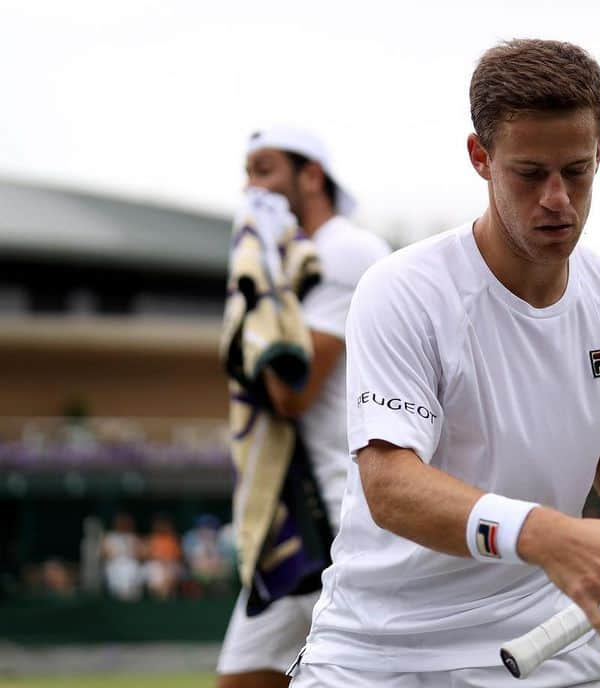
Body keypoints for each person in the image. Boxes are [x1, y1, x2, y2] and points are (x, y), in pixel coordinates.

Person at [289, 39, 600, 688]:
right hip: (382, 656)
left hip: (556, 650)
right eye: (530, 173)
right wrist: (544, 534)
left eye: (577, 171)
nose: (558, 198)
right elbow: (390, 485)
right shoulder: (403, 289)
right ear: (481, 158)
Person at [216, 126, 391, 688]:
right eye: (248, 171)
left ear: (311, 176)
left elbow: (292, 392)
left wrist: (261, 282)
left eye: (264, 169)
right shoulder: (303, 257)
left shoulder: (342, 251)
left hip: (339, 520)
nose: (251, 187)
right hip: (300, 514)